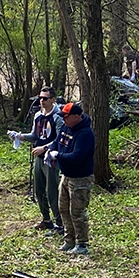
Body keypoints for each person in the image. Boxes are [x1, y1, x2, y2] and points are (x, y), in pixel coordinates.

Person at [48, 101, 95, 256]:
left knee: (77, 212)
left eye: (66, 116)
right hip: (66, 176)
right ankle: (69, 241)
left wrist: (58, 155)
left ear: (76, 116)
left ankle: (82, 244)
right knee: (64, 209)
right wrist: (51, 151)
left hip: (80, 179)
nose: (64, 119)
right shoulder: (67, 127)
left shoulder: (85, 134)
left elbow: (77, 156)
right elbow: (57, 142)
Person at [20, 87, 64, 231]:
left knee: (52, 191)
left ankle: (60, 223)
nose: (41, 101)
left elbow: (59, 140)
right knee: (38, 190)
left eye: (45, 98)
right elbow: (35, 135)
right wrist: (20, 136)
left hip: (51, 158)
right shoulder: (38, 115)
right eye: (40, 98)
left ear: (53, 99)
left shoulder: (58, 117)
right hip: (39, 157)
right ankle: (46, 219)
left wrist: (44, 148)